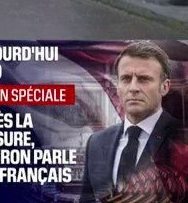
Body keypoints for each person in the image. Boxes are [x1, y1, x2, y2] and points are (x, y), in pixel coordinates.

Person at [79, 41, 185, 203]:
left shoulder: (182, 139)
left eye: (144, 79)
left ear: (164, 87)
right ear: (118, 87)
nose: (133, 88)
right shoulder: (96, 142)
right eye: (126, 79)